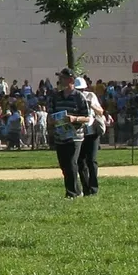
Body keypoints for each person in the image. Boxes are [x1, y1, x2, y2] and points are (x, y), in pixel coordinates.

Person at [49, 70, 91, 198]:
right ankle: (76, 191)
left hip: (75, 136)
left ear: (71, 80)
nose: (60, 80)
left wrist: (74, 119)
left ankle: (71, 193)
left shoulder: (79, 97)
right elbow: (51, 114)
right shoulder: (56, 96)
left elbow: (87, 117)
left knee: (71, 163)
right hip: (60, 136)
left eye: (63, 78)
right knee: (64, 165)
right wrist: (51, 121)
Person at [76, 76, 104, 196]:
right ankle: (86, 187)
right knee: (80, 162)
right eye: (78, 90)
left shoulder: (91, 96)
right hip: (80, 133)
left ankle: (93, 188)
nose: (80, 92)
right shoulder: (73, 98)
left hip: (92, 132)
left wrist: (91, 105)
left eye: (82, 89)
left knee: (91, 161)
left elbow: (101, 111)